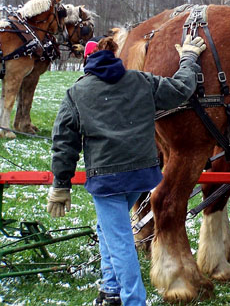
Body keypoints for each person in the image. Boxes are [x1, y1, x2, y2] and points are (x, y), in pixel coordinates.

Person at [46, 35, 206, 306]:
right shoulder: (141, 81)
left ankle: (133, 301)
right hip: (142, 175)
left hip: (107, 180)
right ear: (116, 58)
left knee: (119, 240)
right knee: (108, 228)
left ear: (87, 61)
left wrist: (61, 184)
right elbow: (180, 89)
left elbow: (65, 142)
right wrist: (189, 57)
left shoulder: (77, 93)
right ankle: (111, 289)